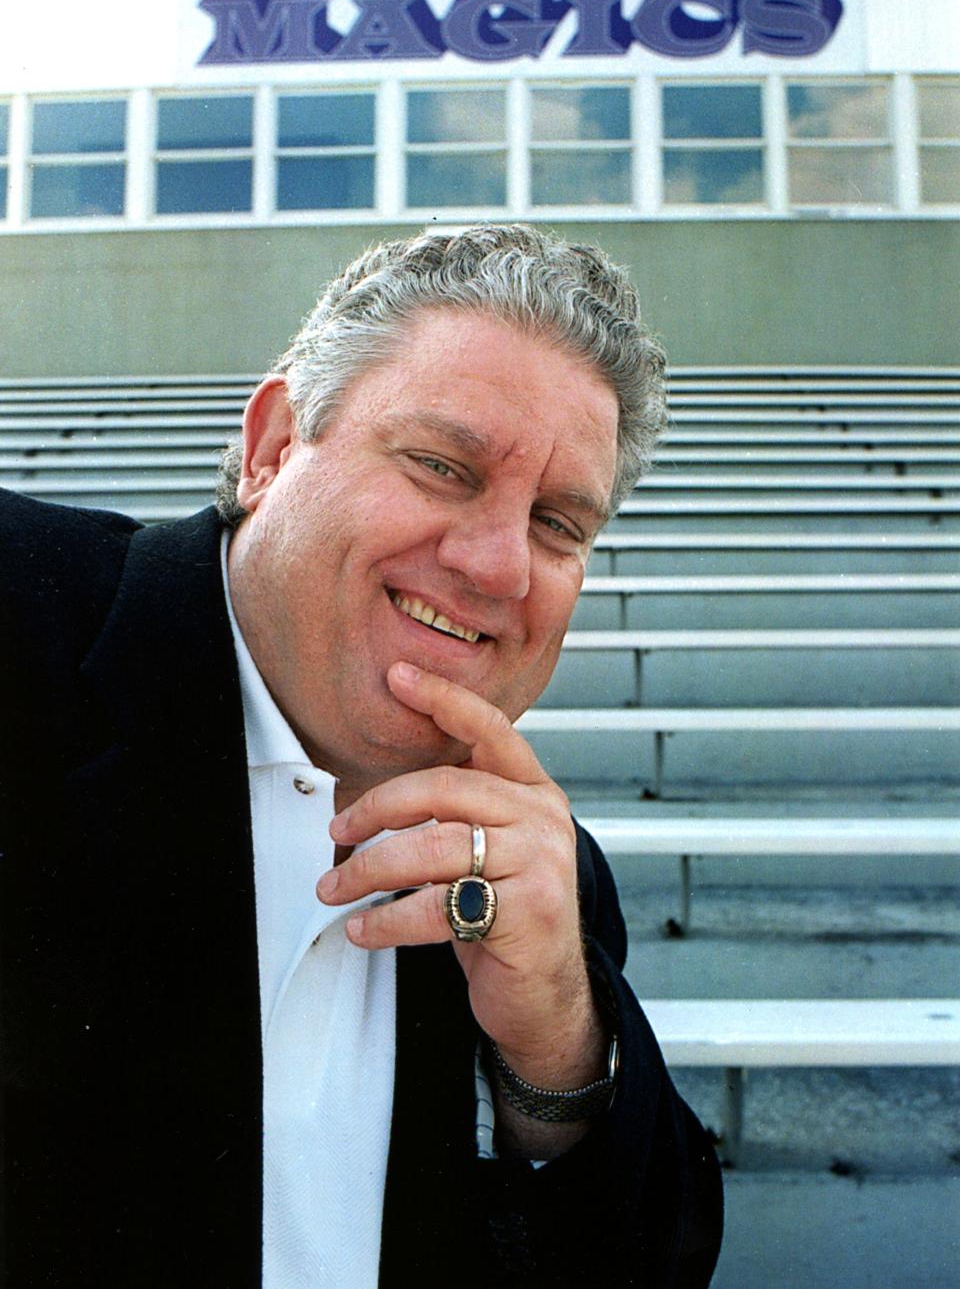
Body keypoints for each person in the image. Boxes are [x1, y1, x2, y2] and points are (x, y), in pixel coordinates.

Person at [1, 224, 722, 1287]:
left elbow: (657, 1262)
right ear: (274, 445)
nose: (497, 564)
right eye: (441, 464)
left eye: (559, 524)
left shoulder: (537, 871)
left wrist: (557, 1054)